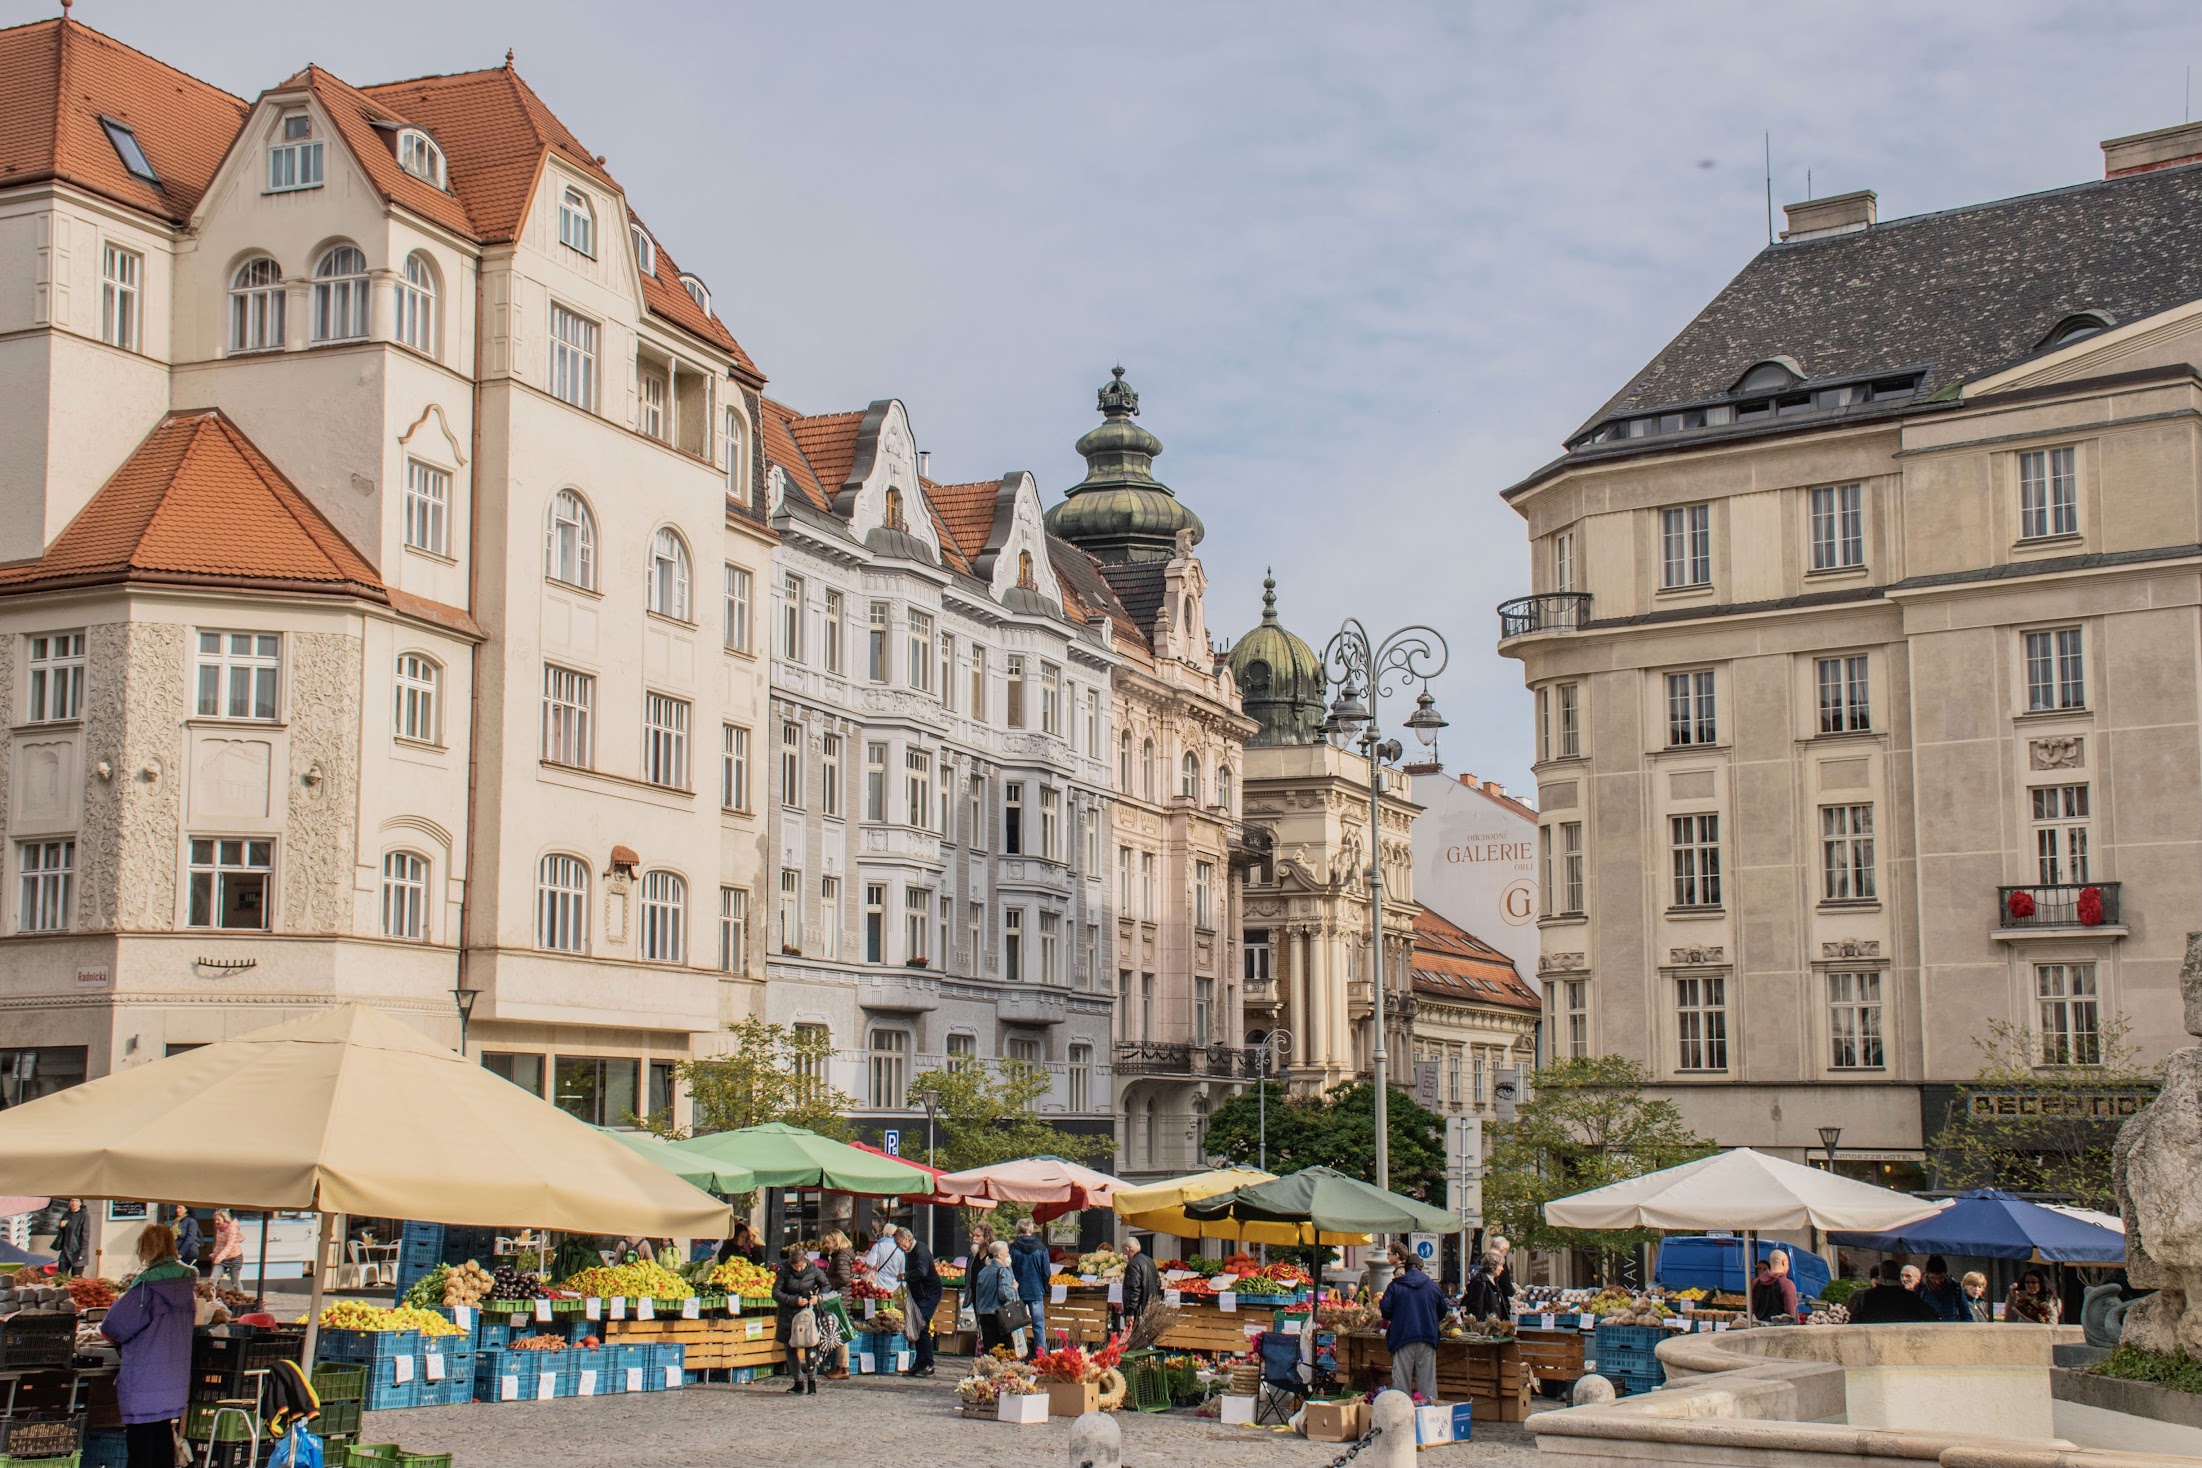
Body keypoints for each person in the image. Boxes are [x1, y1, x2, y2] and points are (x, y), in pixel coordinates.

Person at [102, 1224, 196, 1467]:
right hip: (173, 1377)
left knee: (141, 1445)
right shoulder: (186, 1284)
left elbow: (115, 1325)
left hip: (145, 1376)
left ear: (146, 1248)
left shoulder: (147, 1287)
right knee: (163, 1436)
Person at [1378, 1241, 1443, 1404]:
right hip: (1427, 1338)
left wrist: (1399, 1316)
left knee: (1401, 1385)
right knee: (1427, 1383)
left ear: (1407, 1268)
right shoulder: (1432, 1287)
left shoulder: (1395, 1285)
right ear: (1421, 1268)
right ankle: (1429, 1419)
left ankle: (1402, 1418)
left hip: (1402, 1337)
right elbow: (1442, 1310)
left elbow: (1385, 1309)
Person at [772, 1242, 830, 1396]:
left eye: (801, 1266)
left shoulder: (812, 1269)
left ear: (805, 1262)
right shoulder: (784, 1271)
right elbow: (776, 1293)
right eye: (796, 1267)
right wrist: (793, 1300)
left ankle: (812, 1382)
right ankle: (798, 1382)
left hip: (806, 1315)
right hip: (788, 1315)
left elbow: (826, 1284)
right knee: (790, 1349)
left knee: (810, 1345)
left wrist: (818, 1298)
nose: (798, 1269)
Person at [897, 1227, 941, 1378]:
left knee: (922, 1325)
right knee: (917, 1325)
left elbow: (922, 1271)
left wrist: (905, 1276)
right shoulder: (909, 1252)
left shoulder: (920, 1250)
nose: (898, 1246)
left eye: (899, 1242)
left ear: (907, 1239)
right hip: (919, 1294)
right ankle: (919, 1361)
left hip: (929, 1293)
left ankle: (928, 1363)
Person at [1845, 1255, 1938, 1324]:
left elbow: (1853, 1323)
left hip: (1874, 1345)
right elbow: (1933, 1318)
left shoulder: (1865, 1296)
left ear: (1881, 1277)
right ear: (1898, 1276)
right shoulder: (1910, 1297)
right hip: (1903, 1345)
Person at [818, 1230, 856, 1380]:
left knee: (840, 1331)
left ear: (836, 1241)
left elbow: (844, 1278)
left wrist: (828, 1283)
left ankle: (843, 1366)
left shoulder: (841, 1257)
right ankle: (840, 1366)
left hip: (840, 1297)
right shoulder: (839, 1256)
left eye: (828, 1242)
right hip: (840, 1296)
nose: (827, 1245)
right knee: (839, 1329)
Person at [1009, 1218, 1050, 1350]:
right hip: (1036, 1290)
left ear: (1018, 1230)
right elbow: (1046, 1272)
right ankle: (1041, 1356)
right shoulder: (1041, 1248)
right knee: (1038, 1325)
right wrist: (1044, 1287)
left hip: (1018, 1291)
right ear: (1031, 1230)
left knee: (1018, 1325)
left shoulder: (1012, 1248)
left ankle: (1020, 1354)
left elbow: (1007, 1269)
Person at [973, 1240, 1019, 1356]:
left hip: (984, 1313)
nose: (1008, 1256)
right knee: (1007, 1348)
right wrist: (1013, 1288)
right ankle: (1004, 1372)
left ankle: (986, 1371)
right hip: (999, 1314)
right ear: (1000, 1255)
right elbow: (1004, 1294)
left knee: (989, 1348)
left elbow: (978, 1293)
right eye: (1007, 1253)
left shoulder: (983, 1271)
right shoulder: (1003, 1271)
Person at [1121, 1235, 1162, 1327]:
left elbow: (1134, 1288)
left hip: (1139, 1311)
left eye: (1123, 1251)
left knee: (1137, 1339)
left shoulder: (1133, 1264)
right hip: (1151, 1308)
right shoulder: (1149, 1260)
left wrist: (1130, 1312)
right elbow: (1158, 1283)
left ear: (1126, 1250)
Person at [1462, 1247, 1512, 1320]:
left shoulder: (1495, 1281)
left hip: (1495, 1325)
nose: (1502, 1269)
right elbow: (1476, 1306)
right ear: (1493, 1267)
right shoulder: (1479, 1282)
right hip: (1485, 1327)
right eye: (1500, 1265)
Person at [1917, 1256, 1965, 1322]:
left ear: (1945, 1274)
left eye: (1941, 1277)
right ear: (1927, 1275)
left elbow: (1966, 1314)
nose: (1937, 1282)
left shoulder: (1955, 1288)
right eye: (1933, 1278)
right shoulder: (1920, 1289)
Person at [863, 1228, 906, 1295]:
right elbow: (903, 1271)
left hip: (880, 1286)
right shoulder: (901, 1248)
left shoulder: (878, 1245)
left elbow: (870, 1263)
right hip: (896, 1287)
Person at [210, 1210, 244, 1292]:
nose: (216, 1222)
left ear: (225, 1219)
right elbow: (219, 1244)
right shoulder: (219, 1228)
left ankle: (242, 1297)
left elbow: (230, 1245)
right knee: (213, 1279)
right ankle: (210, 1298)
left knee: (235, 1281)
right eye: (215, 1220)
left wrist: (219, 1257)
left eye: (218, 1219)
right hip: (223, 1258)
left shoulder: (232, 1227)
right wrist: (215, 1253)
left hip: (235, 1257)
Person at [53, 1198, 88, 1278]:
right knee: (60, 1276)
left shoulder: (84, 1216)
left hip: (77, 1251)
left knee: (76, 1279)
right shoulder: (66, 1214)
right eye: (72, 1201)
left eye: (76, 1201)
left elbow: (85, 1234)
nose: (74, 1203)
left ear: (80, 1203)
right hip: (66, 1250)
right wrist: (61, 1227)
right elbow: (62, 1233)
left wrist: (83, 1252)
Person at [169, 1206, 202, 1275]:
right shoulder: (176, 1222)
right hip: (176, 1252)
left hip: (188, 1253)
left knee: (187, 1275)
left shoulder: (191, 1221)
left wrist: (181, 1253)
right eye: (177, 1208)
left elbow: (190, 1239)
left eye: (180, 1208)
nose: (177, 1210)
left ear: (186, 1210)